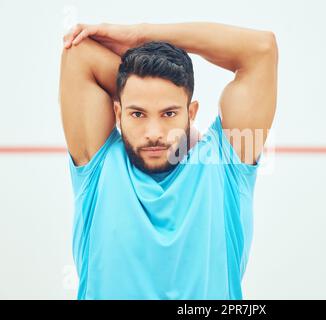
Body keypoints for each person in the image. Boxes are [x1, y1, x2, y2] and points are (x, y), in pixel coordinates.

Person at [59, 21, 278, 299]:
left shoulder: (224, 163)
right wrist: (140, 78)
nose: (153, 134)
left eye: (169, 114)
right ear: (118, 112)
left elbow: (262, 49)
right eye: (137, 114)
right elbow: (77, 53)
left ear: (192, 112)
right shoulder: (99, 164)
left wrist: (141, 35)